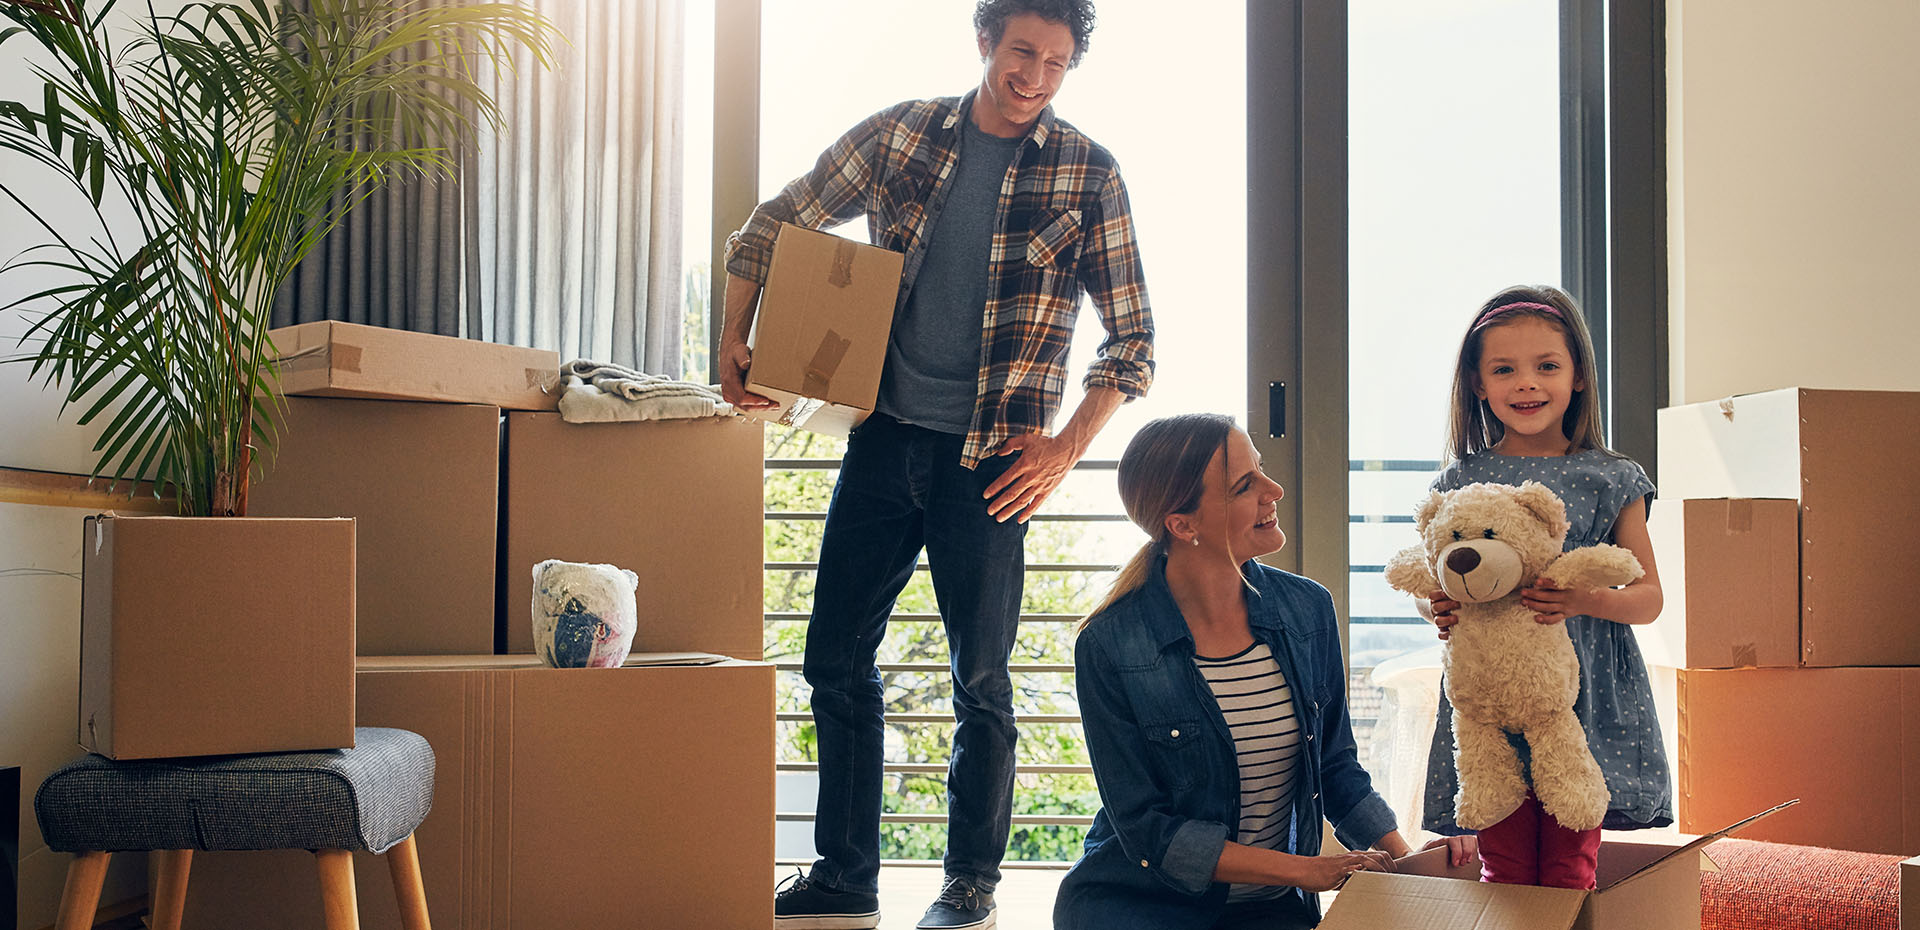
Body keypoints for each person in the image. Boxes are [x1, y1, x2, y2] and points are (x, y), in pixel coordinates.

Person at [717, 2, 1154, 927]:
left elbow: (1134, 341)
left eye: (1058, 62)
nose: (1035, 76)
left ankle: (970, 886)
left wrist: (1065, 447)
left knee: (983, 684)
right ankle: (845, 876)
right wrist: (734, 336)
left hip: (993, 462)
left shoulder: (1088, 173)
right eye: (1023, 51)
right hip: (884, 439)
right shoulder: (902, 134)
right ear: (987, 42)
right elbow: (768, 225)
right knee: (834, 661)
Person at [1055, 414, 1474, 930]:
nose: (1273, 489)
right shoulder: (1110, 642)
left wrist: (1407, 861)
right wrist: (1305, 870)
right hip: (1140, 904)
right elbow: (1147, 829)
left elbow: (1335, 767)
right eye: (1244, 485)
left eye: (1262, 469)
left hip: (1268, 909)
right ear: (1182, 524)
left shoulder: (1307, 610)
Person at [1416, 285, 1671, 889]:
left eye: (1546, 366)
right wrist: (1439, 608)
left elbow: (1650, 598)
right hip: (1491, 696)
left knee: (1569, 865)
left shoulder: (1612, 477)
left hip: (1585, 697)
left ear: (1578, 375)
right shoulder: (1462, 478)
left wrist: (1585, 600)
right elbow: (1441, 580)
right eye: (1504, 370)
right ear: (1478, 384)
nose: (1526, 384)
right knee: (1501, 865)